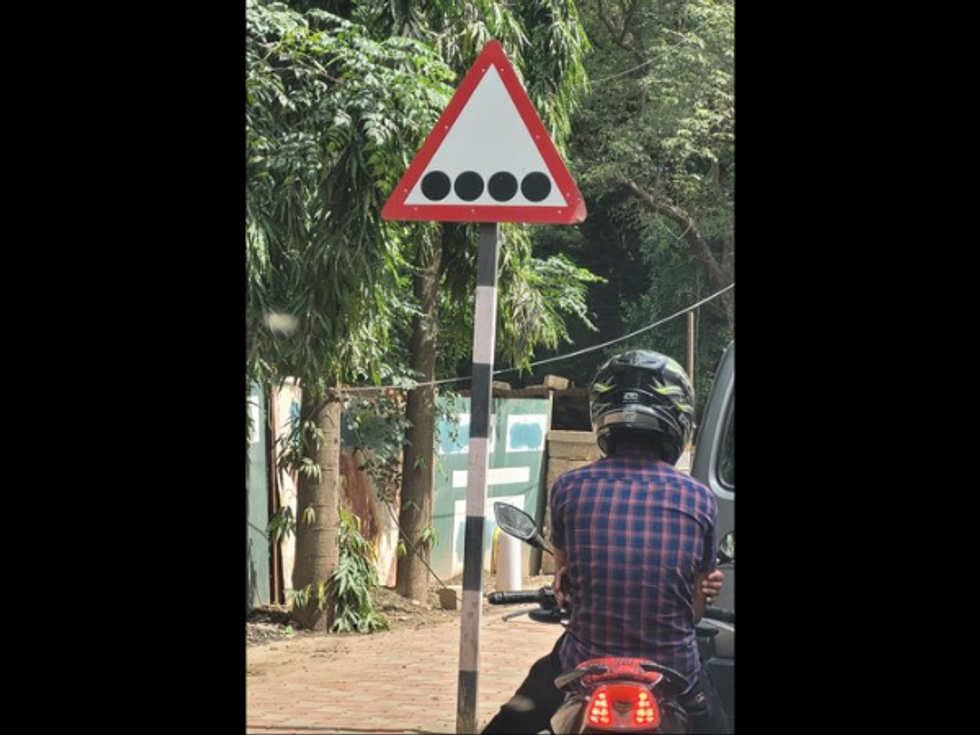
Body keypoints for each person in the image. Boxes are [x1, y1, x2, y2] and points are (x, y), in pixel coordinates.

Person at [482, 350, 729, 734]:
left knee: (512, 720)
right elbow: (694, 612)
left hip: (584, 665)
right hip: (674, 669)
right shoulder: (699, 499)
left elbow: (565, 579)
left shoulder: (567, 488)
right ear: (678, 419)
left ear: (603, 413)